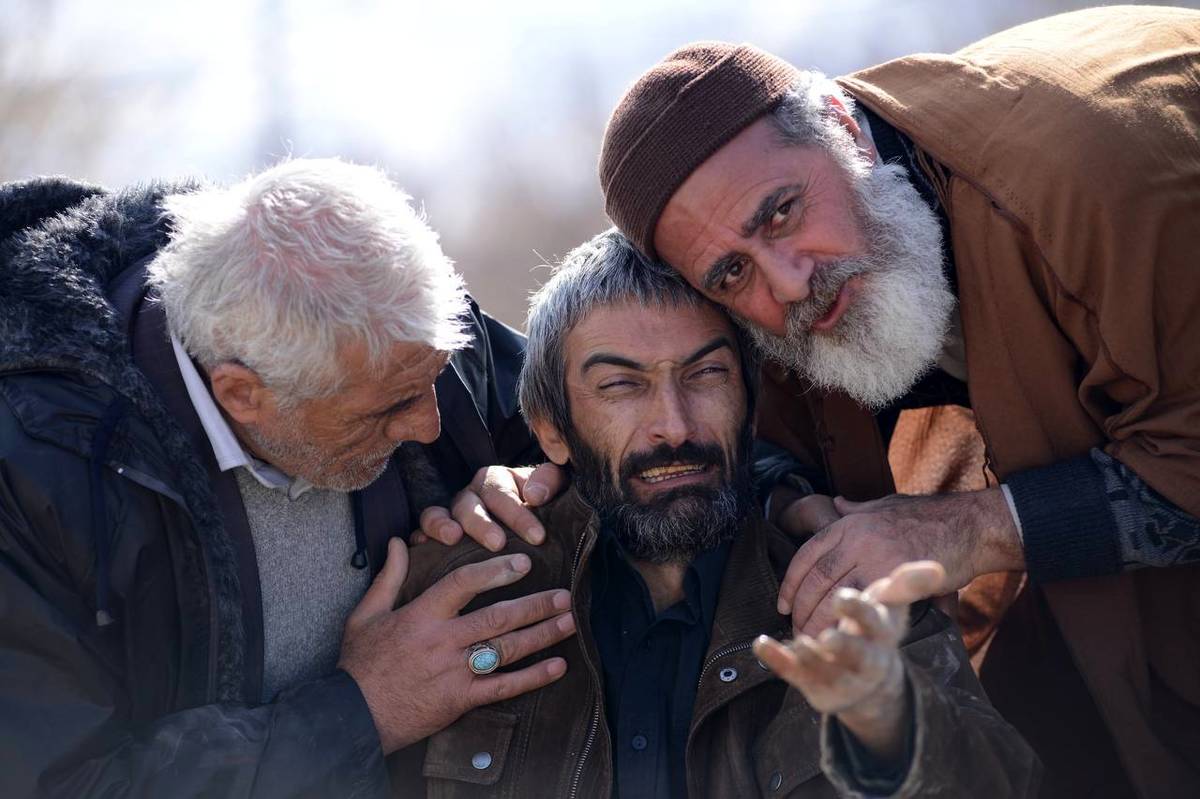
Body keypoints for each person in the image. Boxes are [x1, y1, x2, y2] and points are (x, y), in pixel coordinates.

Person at [434, 6, 1200, 796]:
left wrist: (972, 526)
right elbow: (724, 449)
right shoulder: (778, 325)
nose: (790, 281)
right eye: (730, 274)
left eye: (782, 212)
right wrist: (517, 484)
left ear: (841, 120)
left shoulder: (1095, 175)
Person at [390, 229, 1038, 797]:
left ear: (750, 406)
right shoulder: (461, 594)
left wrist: (896, 721)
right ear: (551, 429)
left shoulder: (852, 579)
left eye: (706, 375)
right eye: (621, 385)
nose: (673, 426)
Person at [0, 159, 576, 797]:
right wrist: (361, 713)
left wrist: (524, 478)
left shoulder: (404, 330)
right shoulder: (27, 476)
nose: (431, 428)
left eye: (433, 380)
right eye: (388, 408)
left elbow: (596, 436)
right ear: (241, 393)